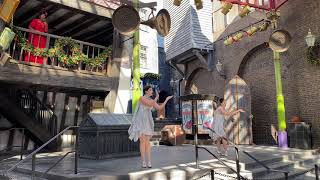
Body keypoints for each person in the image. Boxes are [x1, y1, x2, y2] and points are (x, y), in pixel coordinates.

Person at [128, 86, 173, 168]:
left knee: (147, 143)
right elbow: (150, 104)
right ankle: (143, 162)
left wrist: (166, 100)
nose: (152, 91)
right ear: (146, 91)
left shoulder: (152, 100)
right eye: (150, 90)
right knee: (142, 142)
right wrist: (156, 97)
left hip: (148, 122)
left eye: (152, 90)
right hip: (140, 122)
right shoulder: (141, 98)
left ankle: (149, 161)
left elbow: (159, 108)